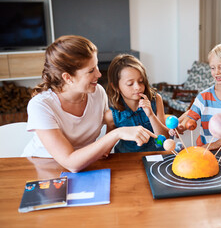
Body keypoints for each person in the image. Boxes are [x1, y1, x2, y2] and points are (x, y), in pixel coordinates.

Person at [22, 35, 156, 172]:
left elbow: (111, 125)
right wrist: (117, 133)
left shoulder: (97, 92)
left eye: (96, 66)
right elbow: (71, 162)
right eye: (91, 70)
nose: (98, 74)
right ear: (68, 77)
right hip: (43, 167)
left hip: (88, 165)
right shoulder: (41, 105)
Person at [172, 42, 221, 150]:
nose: (216, 72)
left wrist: (216, 144)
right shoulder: (203, 97)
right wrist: (182, 126)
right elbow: (191, 117)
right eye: (212, 68)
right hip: (205, 150)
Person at [104, 54, 168, 153]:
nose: (137, 87)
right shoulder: (112, 115)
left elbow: (164, 138)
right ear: (115, 87)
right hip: (127, 159)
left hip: (154, 156)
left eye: (141, 81)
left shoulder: (155, 100)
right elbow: (106, 147)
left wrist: (151, 115)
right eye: (130, 84)